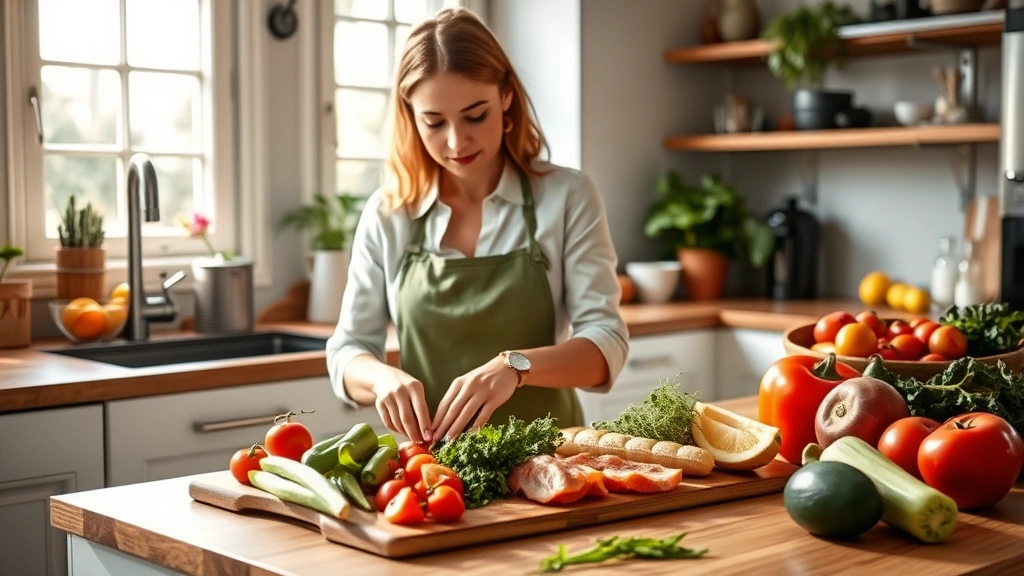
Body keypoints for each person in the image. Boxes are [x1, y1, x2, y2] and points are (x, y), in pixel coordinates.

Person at [326, 7, 628, 445]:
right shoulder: (388, 214)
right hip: (436, 471)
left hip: (552, 454)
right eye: (434, 122)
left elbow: (606, 343)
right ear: (410, 115)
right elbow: (347, 351)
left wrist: (514, 367)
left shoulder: (567, 196)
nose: (455, 141)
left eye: (475, 115)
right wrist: (382, 379)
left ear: (506, 96)